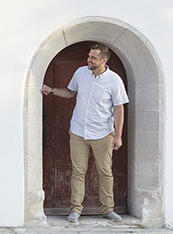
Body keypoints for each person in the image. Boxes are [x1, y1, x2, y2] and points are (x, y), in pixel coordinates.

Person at [42, 43, 128, 223]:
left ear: (103, 61)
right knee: (78, 171)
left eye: (93, 58)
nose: (89, 60)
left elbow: (119, 109)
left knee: (105, 172)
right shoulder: (81, 73)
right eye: (89, 56)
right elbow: (70, 92)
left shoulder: (114, 80)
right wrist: (51, 91)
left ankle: (108, 209)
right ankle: (75, 210)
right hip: (79, 130)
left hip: (103, 133)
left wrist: (118, 135)